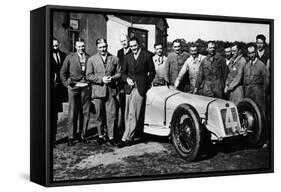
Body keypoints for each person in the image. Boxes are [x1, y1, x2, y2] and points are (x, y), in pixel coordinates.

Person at [118, 37, 155, 148]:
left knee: (134, 113)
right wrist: (127, 79)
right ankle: (128, 133)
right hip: (129, 88)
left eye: (135, 45)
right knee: (127, 113)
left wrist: (145, 83)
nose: (133, 48)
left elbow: (152, 72)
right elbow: (123, 73)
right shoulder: (127, 57)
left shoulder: (147, 55)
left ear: (139, 45)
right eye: (131, 46)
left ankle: (127, 137)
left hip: (140, 88)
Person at [86, 38, 121, 146]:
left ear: (107, 46)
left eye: (104, 46)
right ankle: (101, 135)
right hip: (98, 92)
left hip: (111, 91)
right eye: (100, 47)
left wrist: (113, 78)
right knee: (99, 115)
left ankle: (111, 136)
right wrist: (101, 79)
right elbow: (88, 76)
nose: (103, 49)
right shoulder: (92, 59)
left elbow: (119, 73)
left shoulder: (114, 58)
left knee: (111, 115)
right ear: (97, 48)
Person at [60, 38, 91, 146]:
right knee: (73, 113)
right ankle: (71, 137)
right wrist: (66, 84)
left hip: (86, 88)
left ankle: (83, 135)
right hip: (74, 88)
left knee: (85, 113)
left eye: (83, 46)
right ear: (75, 47)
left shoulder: (89, 57)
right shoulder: (70, 57)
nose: (81, 48)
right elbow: (63, 72)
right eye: (79, 46)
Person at [243, 44, 269, 116]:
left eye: (253, 52)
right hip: (248, 95)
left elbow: (266, 82)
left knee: (261, 114)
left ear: (256, 53)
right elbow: (244, 82)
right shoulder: (246, 66)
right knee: (250, 114)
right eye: (250, 53)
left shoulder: (261, 65)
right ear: (248, 54)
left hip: (258, 95)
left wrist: (261, 94)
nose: (252, 55)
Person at [51, 37, 67, 146]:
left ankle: (53, 138)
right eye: (53, 46)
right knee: (48, 114)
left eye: (57, 45)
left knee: (54, 116)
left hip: (58, 91)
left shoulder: (63, 55)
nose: (56, 48)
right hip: (49, 90)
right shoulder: (45, 55)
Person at [116, 34, 131, 139]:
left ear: (128, 40)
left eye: (125, 40)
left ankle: (129, 128)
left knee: (129, 107)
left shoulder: (133, 51)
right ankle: (122, 128)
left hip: (130, 81)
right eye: (122, 41)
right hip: (122, 82)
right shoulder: (120, 52)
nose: (123, 43)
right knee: (122, 106)